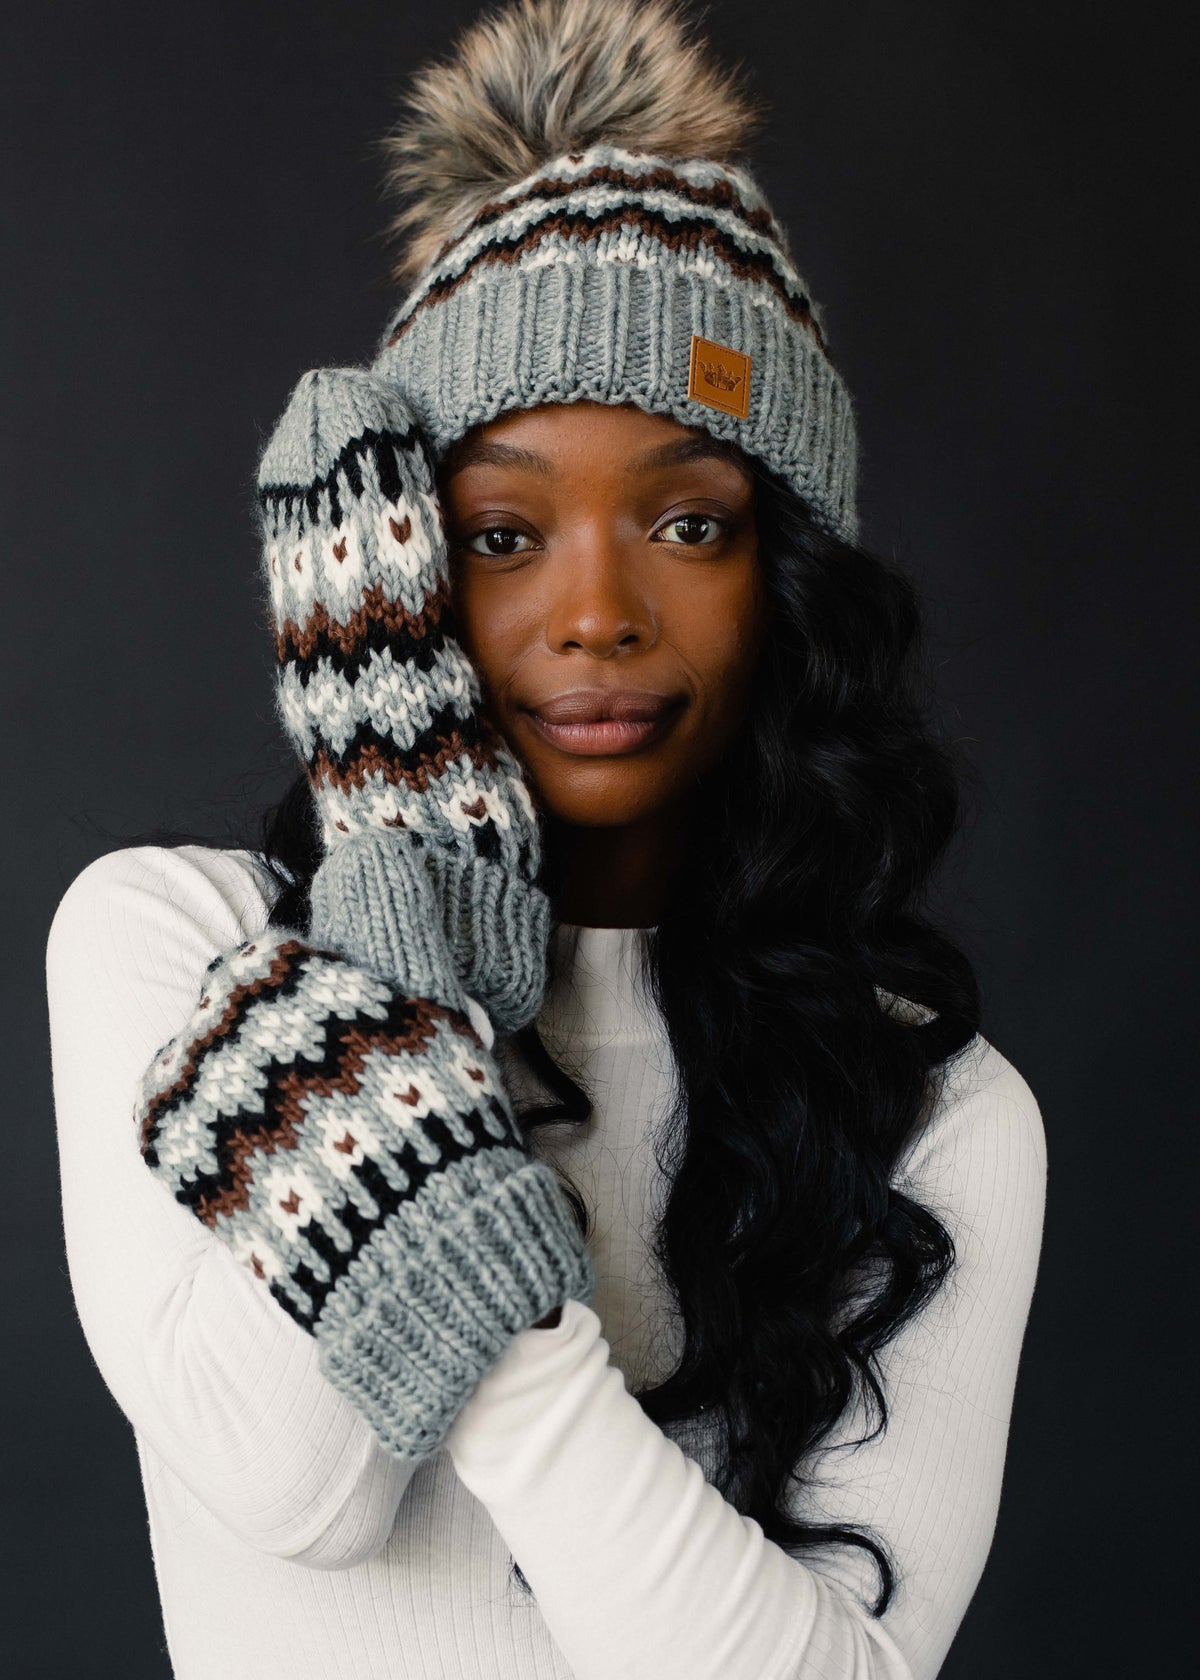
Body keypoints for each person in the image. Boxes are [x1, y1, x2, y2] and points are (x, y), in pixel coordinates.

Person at [44, 1, 1047, 1676]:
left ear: (789, 575)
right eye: (503, 531)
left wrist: (475, 1304)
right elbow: (297, 1492)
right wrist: (410, 895)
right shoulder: (170, 950)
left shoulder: (934, 1110)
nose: (594, 611)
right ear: (401, 571)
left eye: (687, 522)